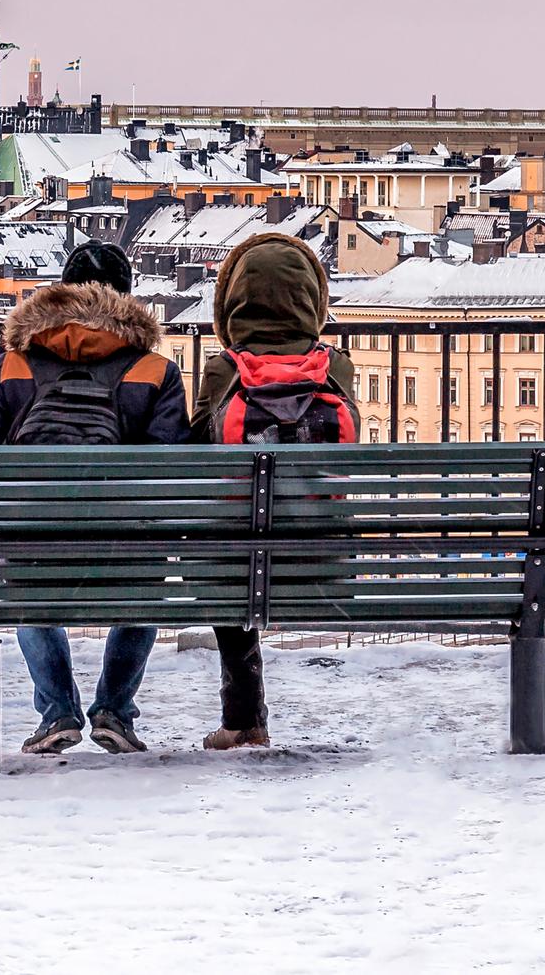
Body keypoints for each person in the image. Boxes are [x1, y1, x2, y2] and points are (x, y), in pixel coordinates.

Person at [0, 241, 189, 755]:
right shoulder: (154, 371)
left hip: (35, 546)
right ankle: (113, 710)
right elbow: (169, 466)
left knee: (16, 582)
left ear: (60, 293)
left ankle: (58, 709)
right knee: (145, 587)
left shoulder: (16, 363)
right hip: (124, 551)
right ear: (128, 299)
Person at [190, 232, 360, 751]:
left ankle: (243, 720)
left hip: (239, 558)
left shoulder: (224, 369)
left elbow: (199, 453)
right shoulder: (337, 367)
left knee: (224, 561)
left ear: (233, 301)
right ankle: (247, 720)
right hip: (324, 553)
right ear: (311, 299)